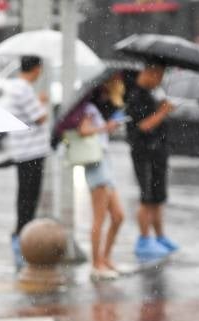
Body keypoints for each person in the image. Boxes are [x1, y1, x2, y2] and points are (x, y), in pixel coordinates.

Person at [74, 76, 128, 281]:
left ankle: (105, 258)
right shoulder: (89, 108)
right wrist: (106, 127)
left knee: (118, 216)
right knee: (100, 218)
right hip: (96, 165)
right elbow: (83, 130)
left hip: (105, 162)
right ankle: (96, 264)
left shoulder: (99, 107)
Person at [124, 61, 177, 262]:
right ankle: (144, 239)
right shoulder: (135, 94)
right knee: (146, 197)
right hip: (144, 152)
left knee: (157, 198)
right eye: (159, 76)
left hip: (158, 151)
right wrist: (163, 112)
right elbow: (143, 126)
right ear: (150, 73)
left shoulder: (152, 93)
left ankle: (160, 237)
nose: (160, 81)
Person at [5, 54, 51, 269]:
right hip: (30, 152)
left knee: (26, 196)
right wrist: (42, 103)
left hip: (25, 150)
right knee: (28, 197)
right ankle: (22, 239)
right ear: (36, 69)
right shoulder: (23, 89)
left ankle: (22, 236)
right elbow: (40, 117)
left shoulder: (17, 87)